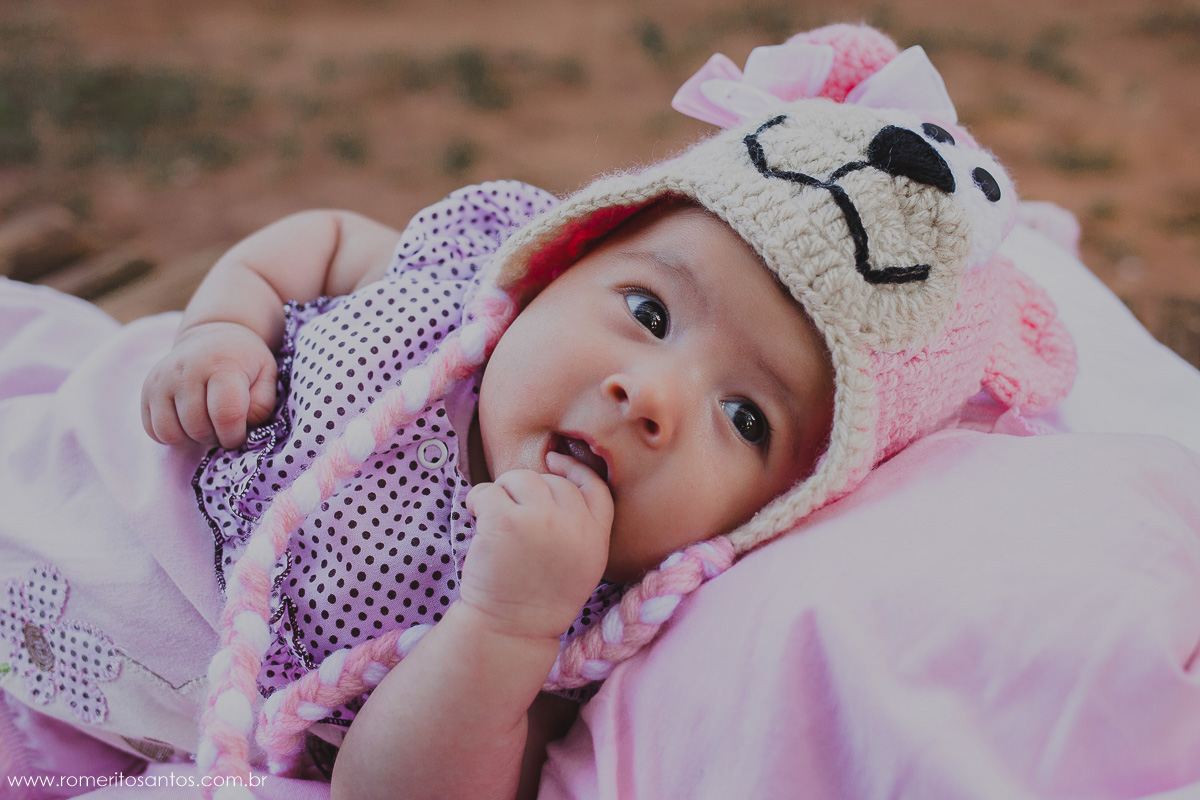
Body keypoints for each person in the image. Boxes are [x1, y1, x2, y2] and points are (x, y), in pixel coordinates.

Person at [0, 23, 1075, 800]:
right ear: (564, 258)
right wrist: (224, 325)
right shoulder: (463, 280)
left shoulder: (580, 622)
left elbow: (396, 789)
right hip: (98, 463)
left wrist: (502, 627)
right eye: (648, 308)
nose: (650, 397)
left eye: (745, 418)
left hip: (91, 695)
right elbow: (320, 240)